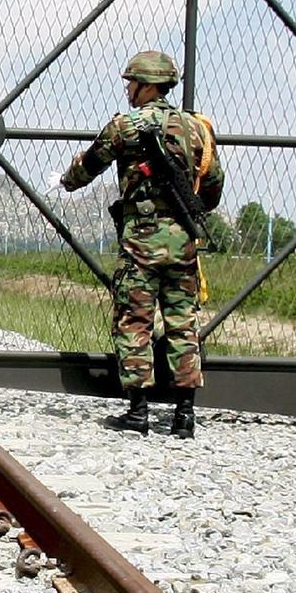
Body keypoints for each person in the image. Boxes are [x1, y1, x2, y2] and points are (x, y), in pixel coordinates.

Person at [48, 49, 223, 438]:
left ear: (145, 85)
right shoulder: (197, 129)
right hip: (183, 244)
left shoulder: (126, 127)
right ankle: (184, 415)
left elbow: (88, 167)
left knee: (134, 321)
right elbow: (212, 187)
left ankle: (139, 411)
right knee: (183, 324)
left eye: (131, 82)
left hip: (141, 243)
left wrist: (65, 181)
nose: (128, 88)